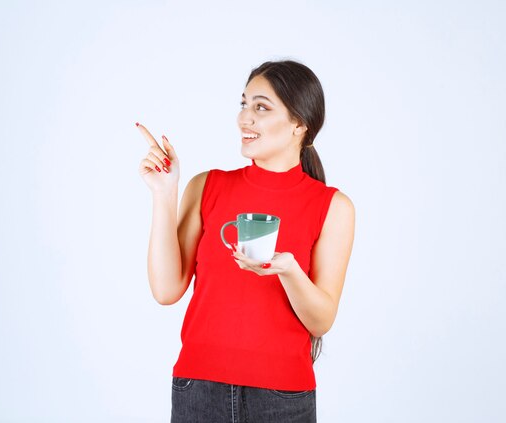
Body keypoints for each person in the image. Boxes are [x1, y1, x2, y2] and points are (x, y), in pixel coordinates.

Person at [137, 59, 355, 423]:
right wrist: (164, 192)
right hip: (198, 388)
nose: (244, 118)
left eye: (261, 107)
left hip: (282, 397)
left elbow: (321, 320)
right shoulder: (207, 186)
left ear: (300, 124)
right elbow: (166, 290)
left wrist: (287, 271)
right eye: (244, 104)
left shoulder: (333, 206)